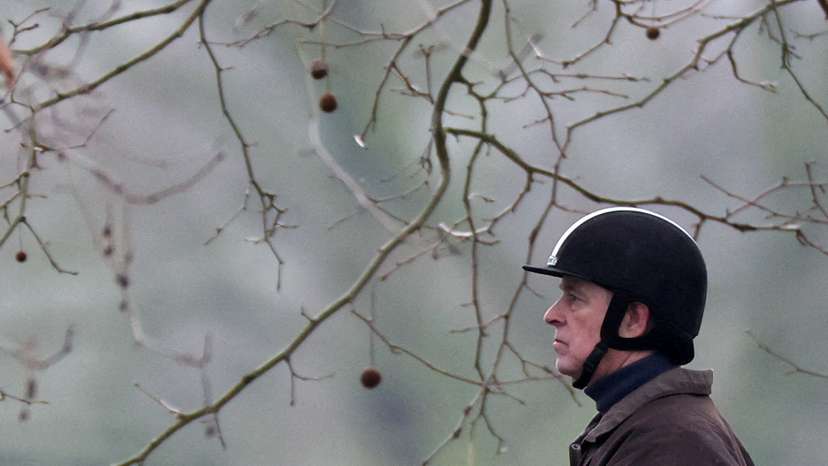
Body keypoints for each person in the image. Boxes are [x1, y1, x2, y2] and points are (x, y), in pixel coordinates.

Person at [523, 207, 754, 466]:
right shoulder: (646, 430)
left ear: (633, 319)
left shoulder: (672, 444)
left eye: (575, 298)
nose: (552, 315)